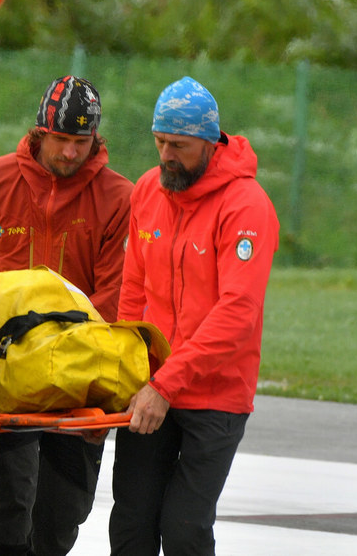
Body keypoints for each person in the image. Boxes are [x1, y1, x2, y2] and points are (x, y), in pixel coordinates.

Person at [109, 76, 279, 556]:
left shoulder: (247, 207)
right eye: (159, 142)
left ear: (209, 142)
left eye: (179, 146)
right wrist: (128, 370)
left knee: (184, 530)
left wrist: (167, 384)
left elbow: (237, 313)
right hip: (151, 387)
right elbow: (133, 290)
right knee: (131, 528)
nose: (166, 155)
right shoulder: (147, 190)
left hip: (215, 395)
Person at [0, 75, 133, 556]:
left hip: (80, 377)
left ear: (94, 140)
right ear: (40, 132)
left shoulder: (118, 196)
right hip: (11, 374)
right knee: (13, 500)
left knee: (64, 513)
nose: (68, 153)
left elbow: (114, 295)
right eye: (60, 140)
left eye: (80, 142)